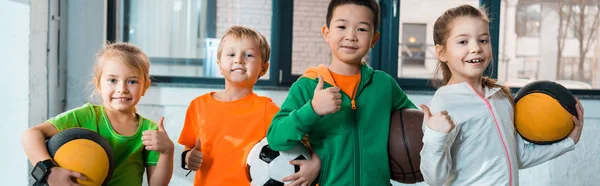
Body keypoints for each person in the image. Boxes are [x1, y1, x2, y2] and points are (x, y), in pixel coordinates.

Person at [419, 4, 585, 186]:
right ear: (441, 52)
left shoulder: (500, 97)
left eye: (483, 40)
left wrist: (569, 141)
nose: (476, 48)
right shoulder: (444, 104)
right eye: (463, 42)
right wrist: (435, 136)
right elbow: (434, 179)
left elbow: (518, 156)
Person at [266, 0, 417, 185]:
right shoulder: (307, 87)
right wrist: (312, 110)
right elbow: (276, 138)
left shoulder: (384, 85)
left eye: (361, 29)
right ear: (326, 33)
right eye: (342, 26)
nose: (351, 36)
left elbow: (415, 125)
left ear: (374, 39)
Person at [178, 25, 321, 186]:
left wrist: (315, 165)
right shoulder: (198, 106)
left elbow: (303, 143)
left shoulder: (268, 110)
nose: (238, 59)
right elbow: (188, 147)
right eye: (231, 54)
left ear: (264, 68)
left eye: (249, 55)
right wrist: (188, 158)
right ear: (219, 64)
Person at [21, 42, 174, 186]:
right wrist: (50, 171)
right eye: (113, 80)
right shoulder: (85, 116)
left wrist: (168, 151)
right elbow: (31, 135)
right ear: (98, 85)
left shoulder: (150, 131)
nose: (122, 89)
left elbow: (157, 184)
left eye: (132, 81)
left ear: (145, 87)